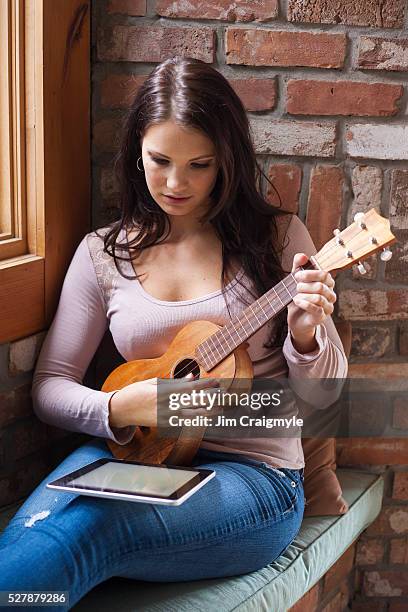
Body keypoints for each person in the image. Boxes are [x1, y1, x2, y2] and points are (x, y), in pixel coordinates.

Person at [0, 56, 347, 609]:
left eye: (200, 165)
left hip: (254, 479)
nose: (176, 183)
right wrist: (119, 409)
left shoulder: (276, 239)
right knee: (31, 537)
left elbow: (322, 398)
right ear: (136, 152)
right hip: (134, 454)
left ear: (227, 162)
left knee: (88, 529)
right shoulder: (103, 253)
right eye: (159, 160)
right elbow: (50, 387)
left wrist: (307, 335)